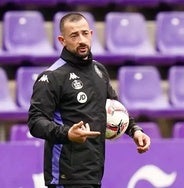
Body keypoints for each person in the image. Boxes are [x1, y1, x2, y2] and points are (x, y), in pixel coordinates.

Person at [27, 12, 151, 188]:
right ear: (62, 40)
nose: (81, 40)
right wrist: (68, 133)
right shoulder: (52, 77)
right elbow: (35, 122)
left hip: (93, 173)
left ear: (91, 34)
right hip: (65, 176)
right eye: (74, 35)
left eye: (85, 33)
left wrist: (134, 131)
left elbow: (114, 106)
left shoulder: (99, 71)